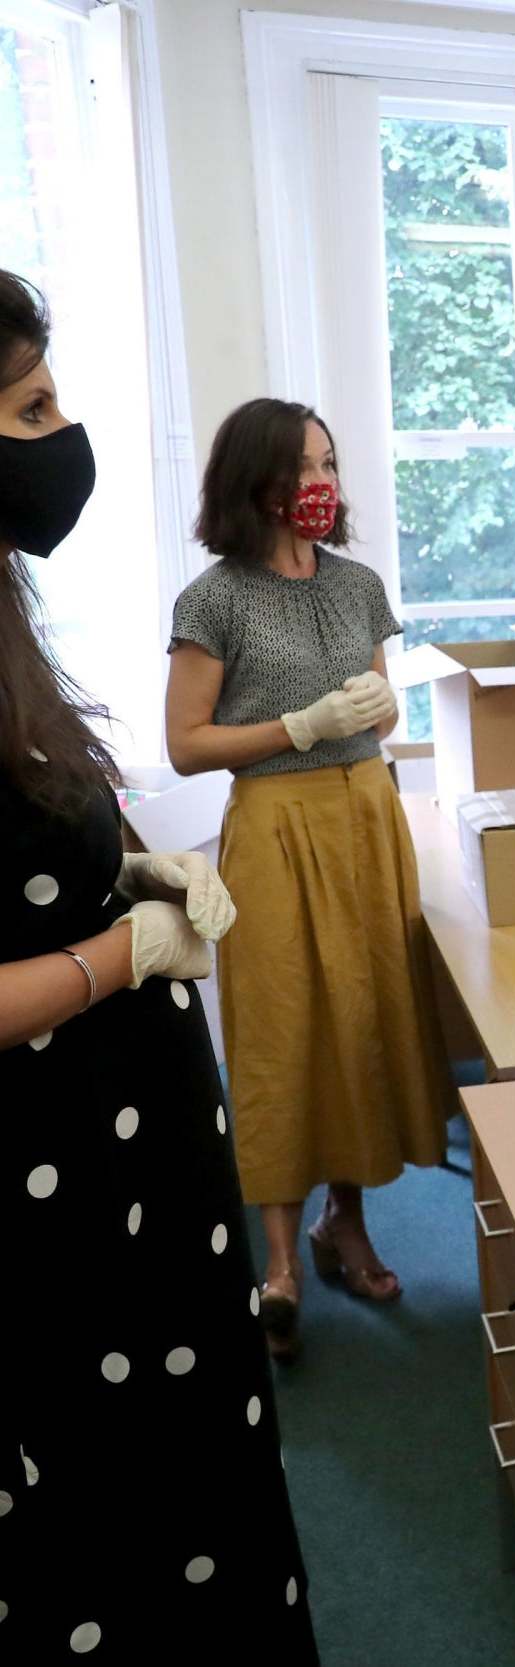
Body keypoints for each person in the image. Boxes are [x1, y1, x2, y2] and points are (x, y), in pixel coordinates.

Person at [0, 272, 319, 1657]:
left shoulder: (9, 616)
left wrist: (132, 879)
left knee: (189, 1490)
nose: (60, 434)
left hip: (135, 1171)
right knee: (102, 1523)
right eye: (32, 406)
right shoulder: (213, 597)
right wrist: (117, 950)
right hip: (58, 1190)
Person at [166, 398, 454, 1355]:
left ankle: (349, 1221)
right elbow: (184, 742)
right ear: (254, 482)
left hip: (365, 817)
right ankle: (281, 1261)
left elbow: (382, 718)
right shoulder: (214, 599)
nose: (321, 485)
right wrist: (298, 726)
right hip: (277, 827)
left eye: (329, 464)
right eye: (302, 468)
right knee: (285, 1027)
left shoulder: (359, 585)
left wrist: (376, 710)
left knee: (363, 1018)